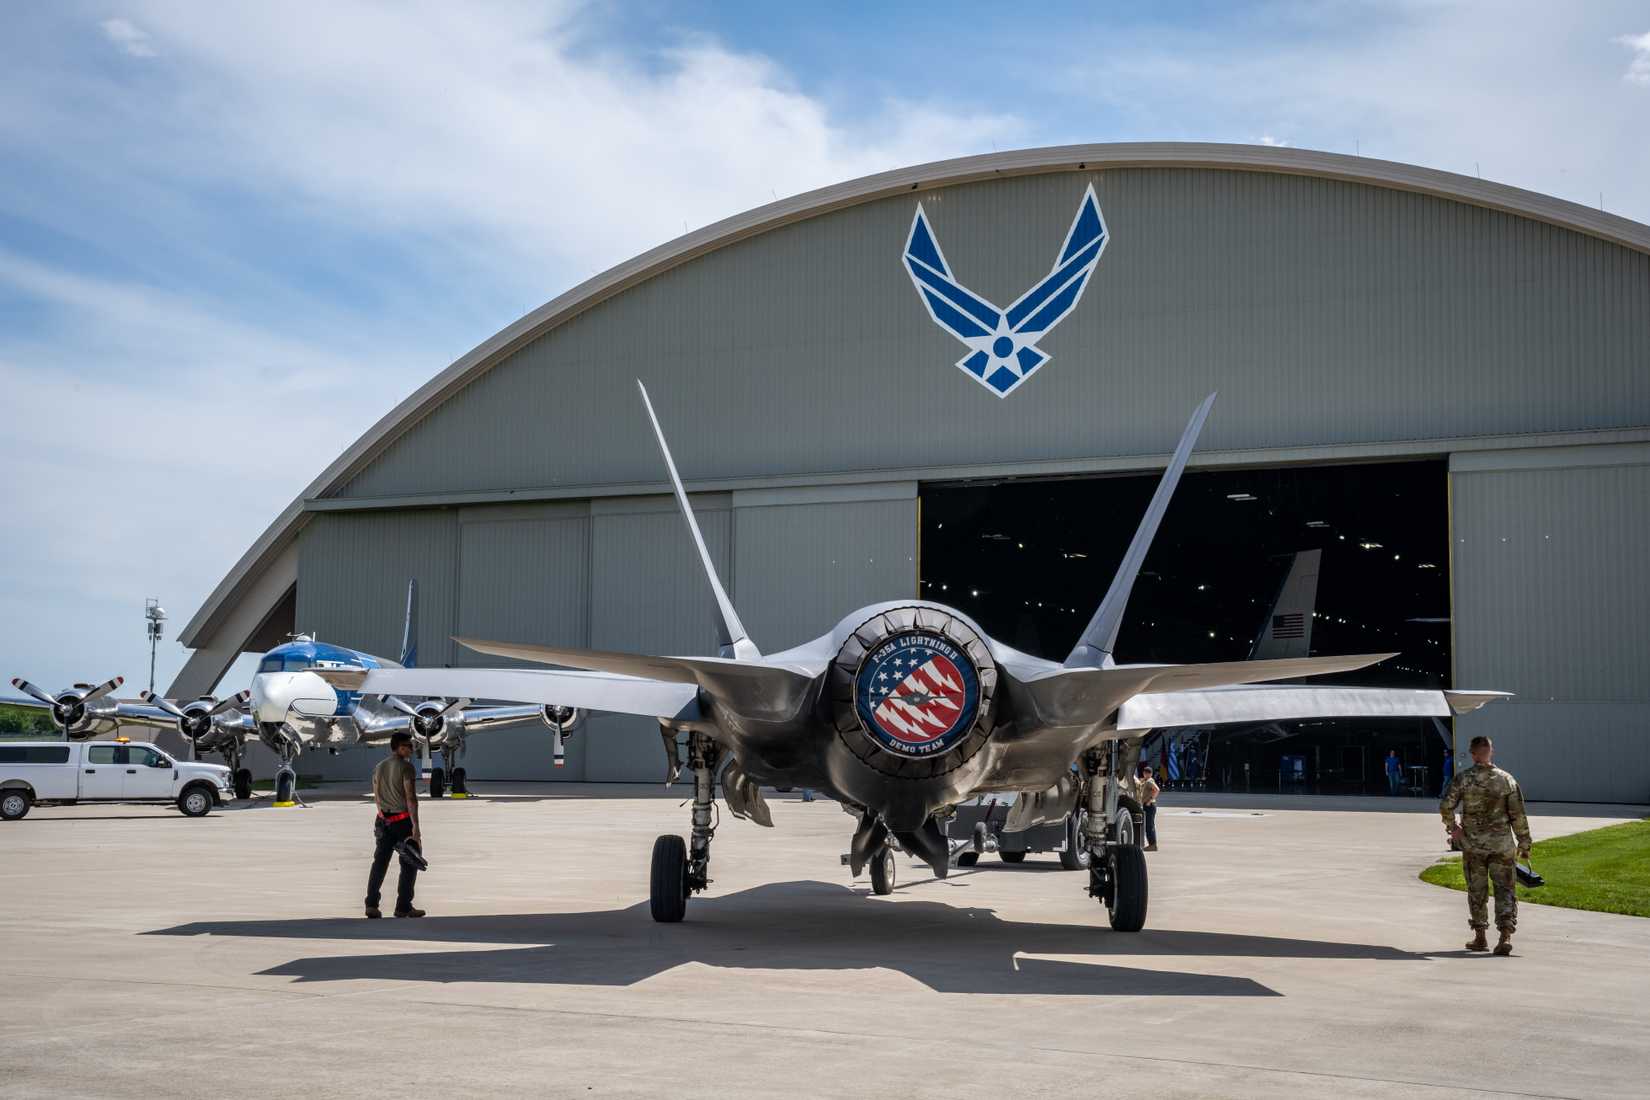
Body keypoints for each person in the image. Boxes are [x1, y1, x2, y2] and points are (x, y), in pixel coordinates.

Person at [1439, 735, 1532, 955]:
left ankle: (1480, 936)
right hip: (1501, 844)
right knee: (1505, 889)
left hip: (1474, 845)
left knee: (1477, 890)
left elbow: (1446, 806)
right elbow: (1518, 814)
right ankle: (1505, 936)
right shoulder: (1506, 779)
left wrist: (1454, 829)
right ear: (1491, 751)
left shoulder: (1463, 779)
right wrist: (1524, 843)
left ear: (1472, 753)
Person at [365, 732, 424, 918]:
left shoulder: (378, 767)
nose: (411, 749)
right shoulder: (406, 768)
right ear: (398, 747)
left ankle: (371, 905)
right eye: (408, 745)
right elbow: (411, 798)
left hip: (383, 820)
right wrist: (416, 828)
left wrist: (382, 815)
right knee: (409, 863)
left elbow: (375, 795)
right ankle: (403, 907)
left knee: (379, 863)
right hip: (402, 821)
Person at [1135, 761, 1160, 852]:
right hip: (1147, 805)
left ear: (1148, 774)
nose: (1144, 774)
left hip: (1149, 805)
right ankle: (1151, 844)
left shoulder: (1149, 781)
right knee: (1148, 826)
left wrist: (1150, 800)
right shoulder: (1146, 781)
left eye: (1146, 773)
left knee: (1149, 826)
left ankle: (1153, 845)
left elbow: (1157, 790)